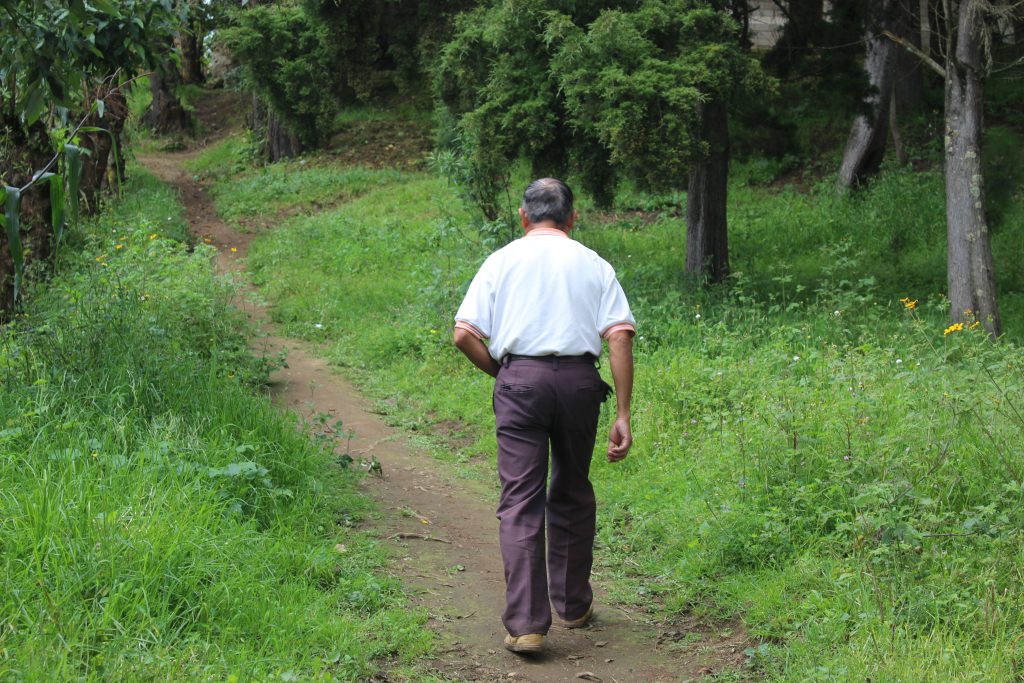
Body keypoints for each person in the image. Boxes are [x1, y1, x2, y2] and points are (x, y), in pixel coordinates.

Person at [453, 178, 636, 654]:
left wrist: (504, 374)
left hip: (521, 382)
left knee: (520, 499)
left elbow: (463, 334)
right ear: (572, 218)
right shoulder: (594, 264)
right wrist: (623, 411)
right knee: (573, 488)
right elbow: (618, 335)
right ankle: (573, 606)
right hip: (579, 384)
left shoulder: (501, 261)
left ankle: (527, 625)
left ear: (523, 216)